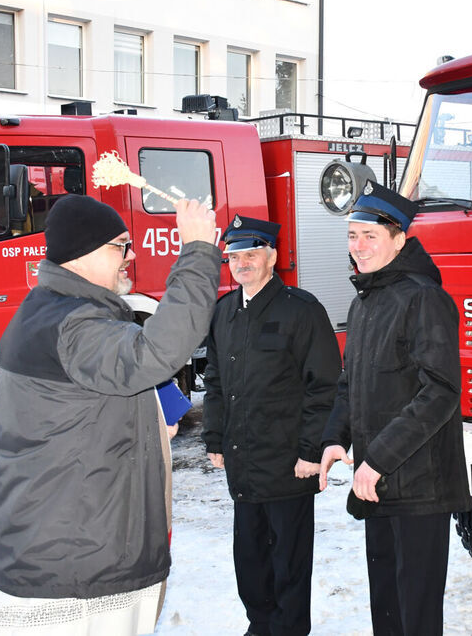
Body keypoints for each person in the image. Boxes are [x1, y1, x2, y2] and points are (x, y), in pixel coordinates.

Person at [0, 193, 220, 634]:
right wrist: (197, 251)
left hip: (64, 544)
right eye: (121, 245)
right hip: (76, 562)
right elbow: (157, 351)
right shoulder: (76, 324)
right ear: (82, 253)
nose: (132, 255)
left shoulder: (50, 310)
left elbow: (81, 409)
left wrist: (148, 418)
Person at [319, 180, 471, 636]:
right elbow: (352, 383)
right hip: (379, 483)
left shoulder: (422, 297)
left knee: (416, 613)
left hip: (420, 486)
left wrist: (378, 459)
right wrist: (333, 438)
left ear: (399, 239)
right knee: (386, 605)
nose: (359, 247)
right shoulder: (368, 298)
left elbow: (441, 390)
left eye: (371, 236)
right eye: (352, 235)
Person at [202, 214, 340, 636]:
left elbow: (326, 386)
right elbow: (215, 380)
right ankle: (259, 626)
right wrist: (214, 436)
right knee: (250, 560)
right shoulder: (224, 311)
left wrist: (311, 452)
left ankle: (288, 630)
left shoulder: (301, 310)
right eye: (234, 256)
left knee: (289, 563)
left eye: (251, 253)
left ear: (272, 256)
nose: (241, 263)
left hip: (287, 463)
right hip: (244, 464)